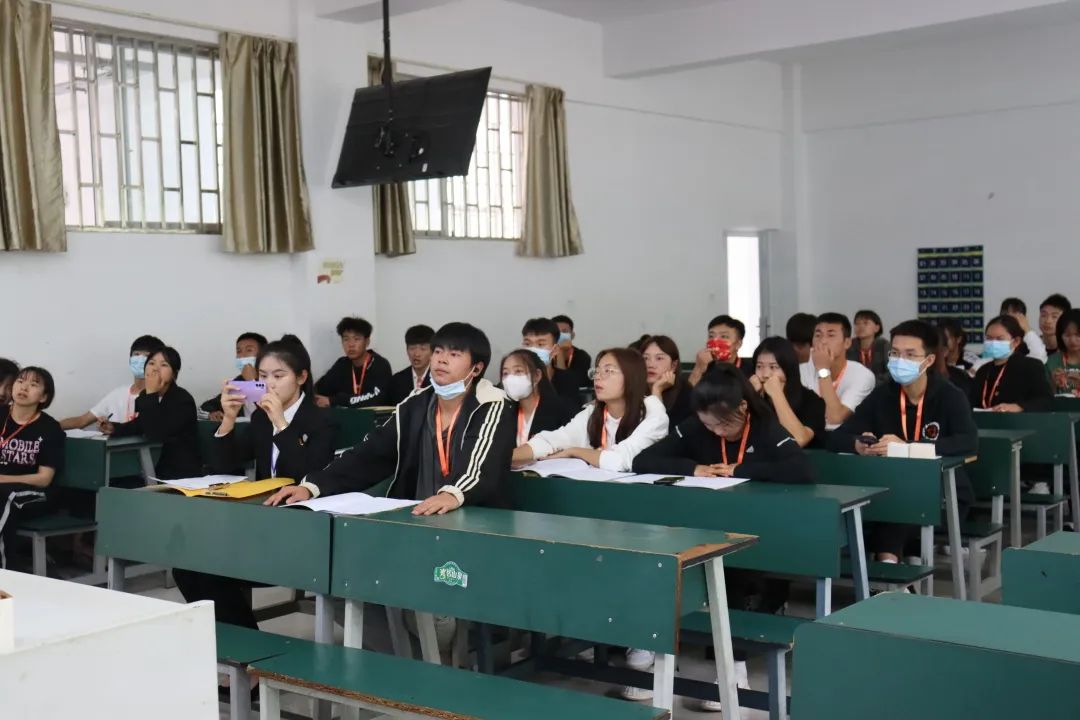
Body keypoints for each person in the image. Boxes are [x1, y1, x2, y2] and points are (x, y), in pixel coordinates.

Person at [628, 364, 812, 707]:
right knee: (661, 561)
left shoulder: (765, 427)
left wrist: (742, 469)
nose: (716, 432)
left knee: (731, 572)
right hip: (703, 524)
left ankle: (734, 670)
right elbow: (644, 460)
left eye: (723, 425)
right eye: (709, 425)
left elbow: (801, 469)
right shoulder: (698, 425)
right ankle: (658, 657)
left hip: (757, 529)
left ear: (742, 407)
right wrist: (692, 468)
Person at [267, 323, 515, 515]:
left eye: (455, 354)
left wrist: (452, 495)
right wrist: (312, 486)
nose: (441, 359)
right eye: (438, 351)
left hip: (475, 517)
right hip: (420, 515)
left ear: (476, 368)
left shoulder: (492, 403)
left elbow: (481, 465)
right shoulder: (415, 404)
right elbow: (369, 453)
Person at [173, 338, 336, 630]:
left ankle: (245, 648)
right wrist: (229, 420)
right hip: (262, 521)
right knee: (185, 566)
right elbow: (223, 468)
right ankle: (235, 643)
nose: (269, 384)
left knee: (212, 573)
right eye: (262, 377)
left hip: (303, 528)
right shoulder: (261, 418)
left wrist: (282, 424)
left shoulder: (322, 421)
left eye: (279, 376)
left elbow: (310, 475)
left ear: (301, 377)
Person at [830, 320, 977, 563]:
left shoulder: (950, 396)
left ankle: (891, 565)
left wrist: (907, 447)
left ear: (928, 360)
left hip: (942, 492)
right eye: (895, 353)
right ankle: (897, 567)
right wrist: (858, 444)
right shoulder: (882, 396)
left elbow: (968, 442)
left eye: (910, 354)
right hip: (890, 489)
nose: (900, 360)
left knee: (896, 515)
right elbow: (837, 437)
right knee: (879, 512)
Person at [512, 348, 668, 472]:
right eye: (597, 371)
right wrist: (505, 458)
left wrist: (574, 451)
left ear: (631, 377)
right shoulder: (592, 413)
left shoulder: (652, 410)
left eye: (608, 371)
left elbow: (621, 461)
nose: (598, 377)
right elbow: (554, 439)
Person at [100, 347, 202, 480]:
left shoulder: (182, 399)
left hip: (179, 474)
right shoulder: (146, 395)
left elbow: (155, 433)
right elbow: (140, 424)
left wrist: (151, 394)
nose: (155, 369)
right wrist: (114, 427)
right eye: (151, 363)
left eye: (164, 365)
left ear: (174, 374)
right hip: (152, 470)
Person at [0, 367, 64, 569]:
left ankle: (6, 570)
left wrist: (3, 479)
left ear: (44, 397)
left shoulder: (49, 428)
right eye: (20, 381)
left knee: (5, 497)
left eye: (33, 384)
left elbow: (44, 478)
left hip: (37, 492)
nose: (24, 387)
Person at [60, 335, 165, 430]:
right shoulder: (118, 394)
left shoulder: (164, 396)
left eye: (146, 356)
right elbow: (82, 421)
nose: (140, 360)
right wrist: (52, 426)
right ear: (130, 360)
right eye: (136, 354)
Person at [799, 313, 876, 429]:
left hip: (843, 437)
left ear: (847, 343)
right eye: (818, 335)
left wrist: (823, 370)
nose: (823, 341)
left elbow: (835, 418)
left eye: (831, 335)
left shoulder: (863, 375)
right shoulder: (801, 371)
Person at [750, 337, 825, 448]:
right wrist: (749, 396)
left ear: (788, 369)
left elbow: (799, 440)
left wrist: (776, 395)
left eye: (773, 367)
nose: (765, 374)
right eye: (759, 366)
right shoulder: (751, 397)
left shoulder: (811, 401)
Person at [971, 315, 1053, 412]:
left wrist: (1019, 407)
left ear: (1016, 341)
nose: (993, 343)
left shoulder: (1030, 367)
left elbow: (1046, 401)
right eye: (989, 338)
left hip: (1018, 421)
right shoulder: (983, 370)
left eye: (999, 339)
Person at [500, 349, 578, 446]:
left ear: (537, 375)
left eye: (518, 371)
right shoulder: (502, 412)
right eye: (505, 373)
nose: (510, 378)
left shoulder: (563, 409)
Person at [314, 317, 393, 409]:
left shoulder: (380, 365)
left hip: (373, 416)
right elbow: (320, 389)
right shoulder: (342, 364)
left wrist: (334, 401)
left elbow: (376, 399)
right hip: (347, 416)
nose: (351, 344)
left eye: (356, 339)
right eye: (346, 339)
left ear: (367, 342)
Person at [200, 332, 268, 421]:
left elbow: (269, 411)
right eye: (239, 351)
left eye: (249, 350)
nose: (242, 356)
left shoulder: (274, 381)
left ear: (263, 355)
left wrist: (251, 382)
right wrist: (211, 413)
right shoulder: (239, 382)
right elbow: (203, 408)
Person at [521, 317, 580, 403]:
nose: (532, 349)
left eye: (540, 344)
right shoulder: (515, 379)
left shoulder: (567, 380)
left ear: (555, 350)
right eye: (527, 344)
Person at [641, 336, 693, 432]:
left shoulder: (686, 393)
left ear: (673, 365)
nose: (650, 365)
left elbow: (657, 433)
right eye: (645, 358)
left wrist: (657, 390)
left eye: (659, 358)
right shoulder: (634, 390)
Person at [688, 315, 751, 387]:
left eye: (724, 336)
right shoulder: (704, 365)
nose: (715, 340)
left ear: (738, 344)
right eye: (711, 336)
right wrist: (698, 369)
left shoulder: (750, 370)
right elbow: (688, 392)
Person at [388, 324, 434, 405]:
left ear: (432, 351)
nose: (416, 354)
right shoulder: (396, 380)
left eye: (423, 349)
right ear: (406, 349)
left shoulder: (439, 379)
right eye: (412, 348)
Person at [848, 310, 890, 384]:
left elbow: (891, 373)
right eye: (857, 324)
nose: (861, 326)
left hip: (880, 386)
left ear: (877, 328)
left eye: (865, 323)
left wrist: (871, 382)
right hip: (855, 386)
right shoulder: (849, 346)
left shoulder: (885, 346)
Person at [552, 315, 592, 390]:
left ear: (572, 335)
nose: (560, 335)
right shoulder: (545, 355)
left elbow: (570, 384)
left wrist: (560, 351)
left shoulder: (582, 356)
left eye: (564, 331)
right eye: (557, 332)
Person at [1046, 309, 1080, 397]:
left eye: (1078, 335)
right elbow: (1043, 397)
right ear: (1060, 336)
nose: (1072, 340)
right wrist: (1053, 383)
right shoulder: (1051, 362)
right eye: (1067, 335)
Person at [938, 320, 974, 396]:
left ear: (958, 339)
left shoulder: (972, 361)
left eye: (946, 338)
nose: (943, 342)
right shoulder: (936, 360)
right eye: (940, 339)